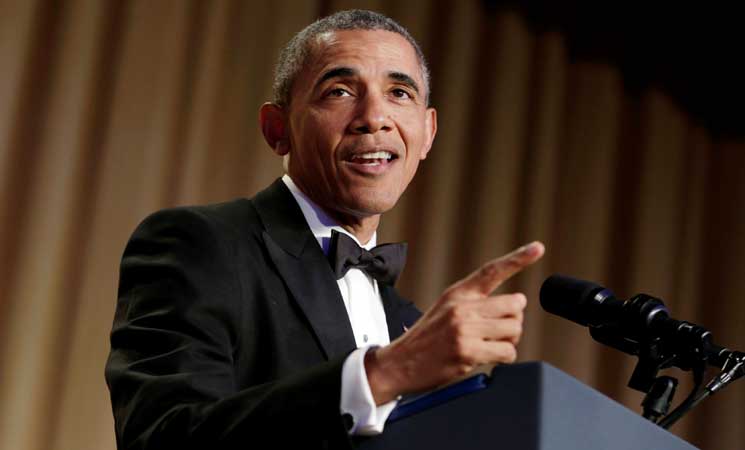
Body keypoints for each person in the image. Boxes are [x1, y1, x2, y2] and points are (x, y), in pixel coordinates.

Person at [105, 9, 545, 450]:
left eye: (399, 93)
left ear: (428, 133)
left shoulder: (409, 324)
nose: (374, 117)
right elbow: (159, 438)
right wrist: (382, 374)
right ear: (277, 129)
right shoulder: (199, 243)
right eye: (339, 91)